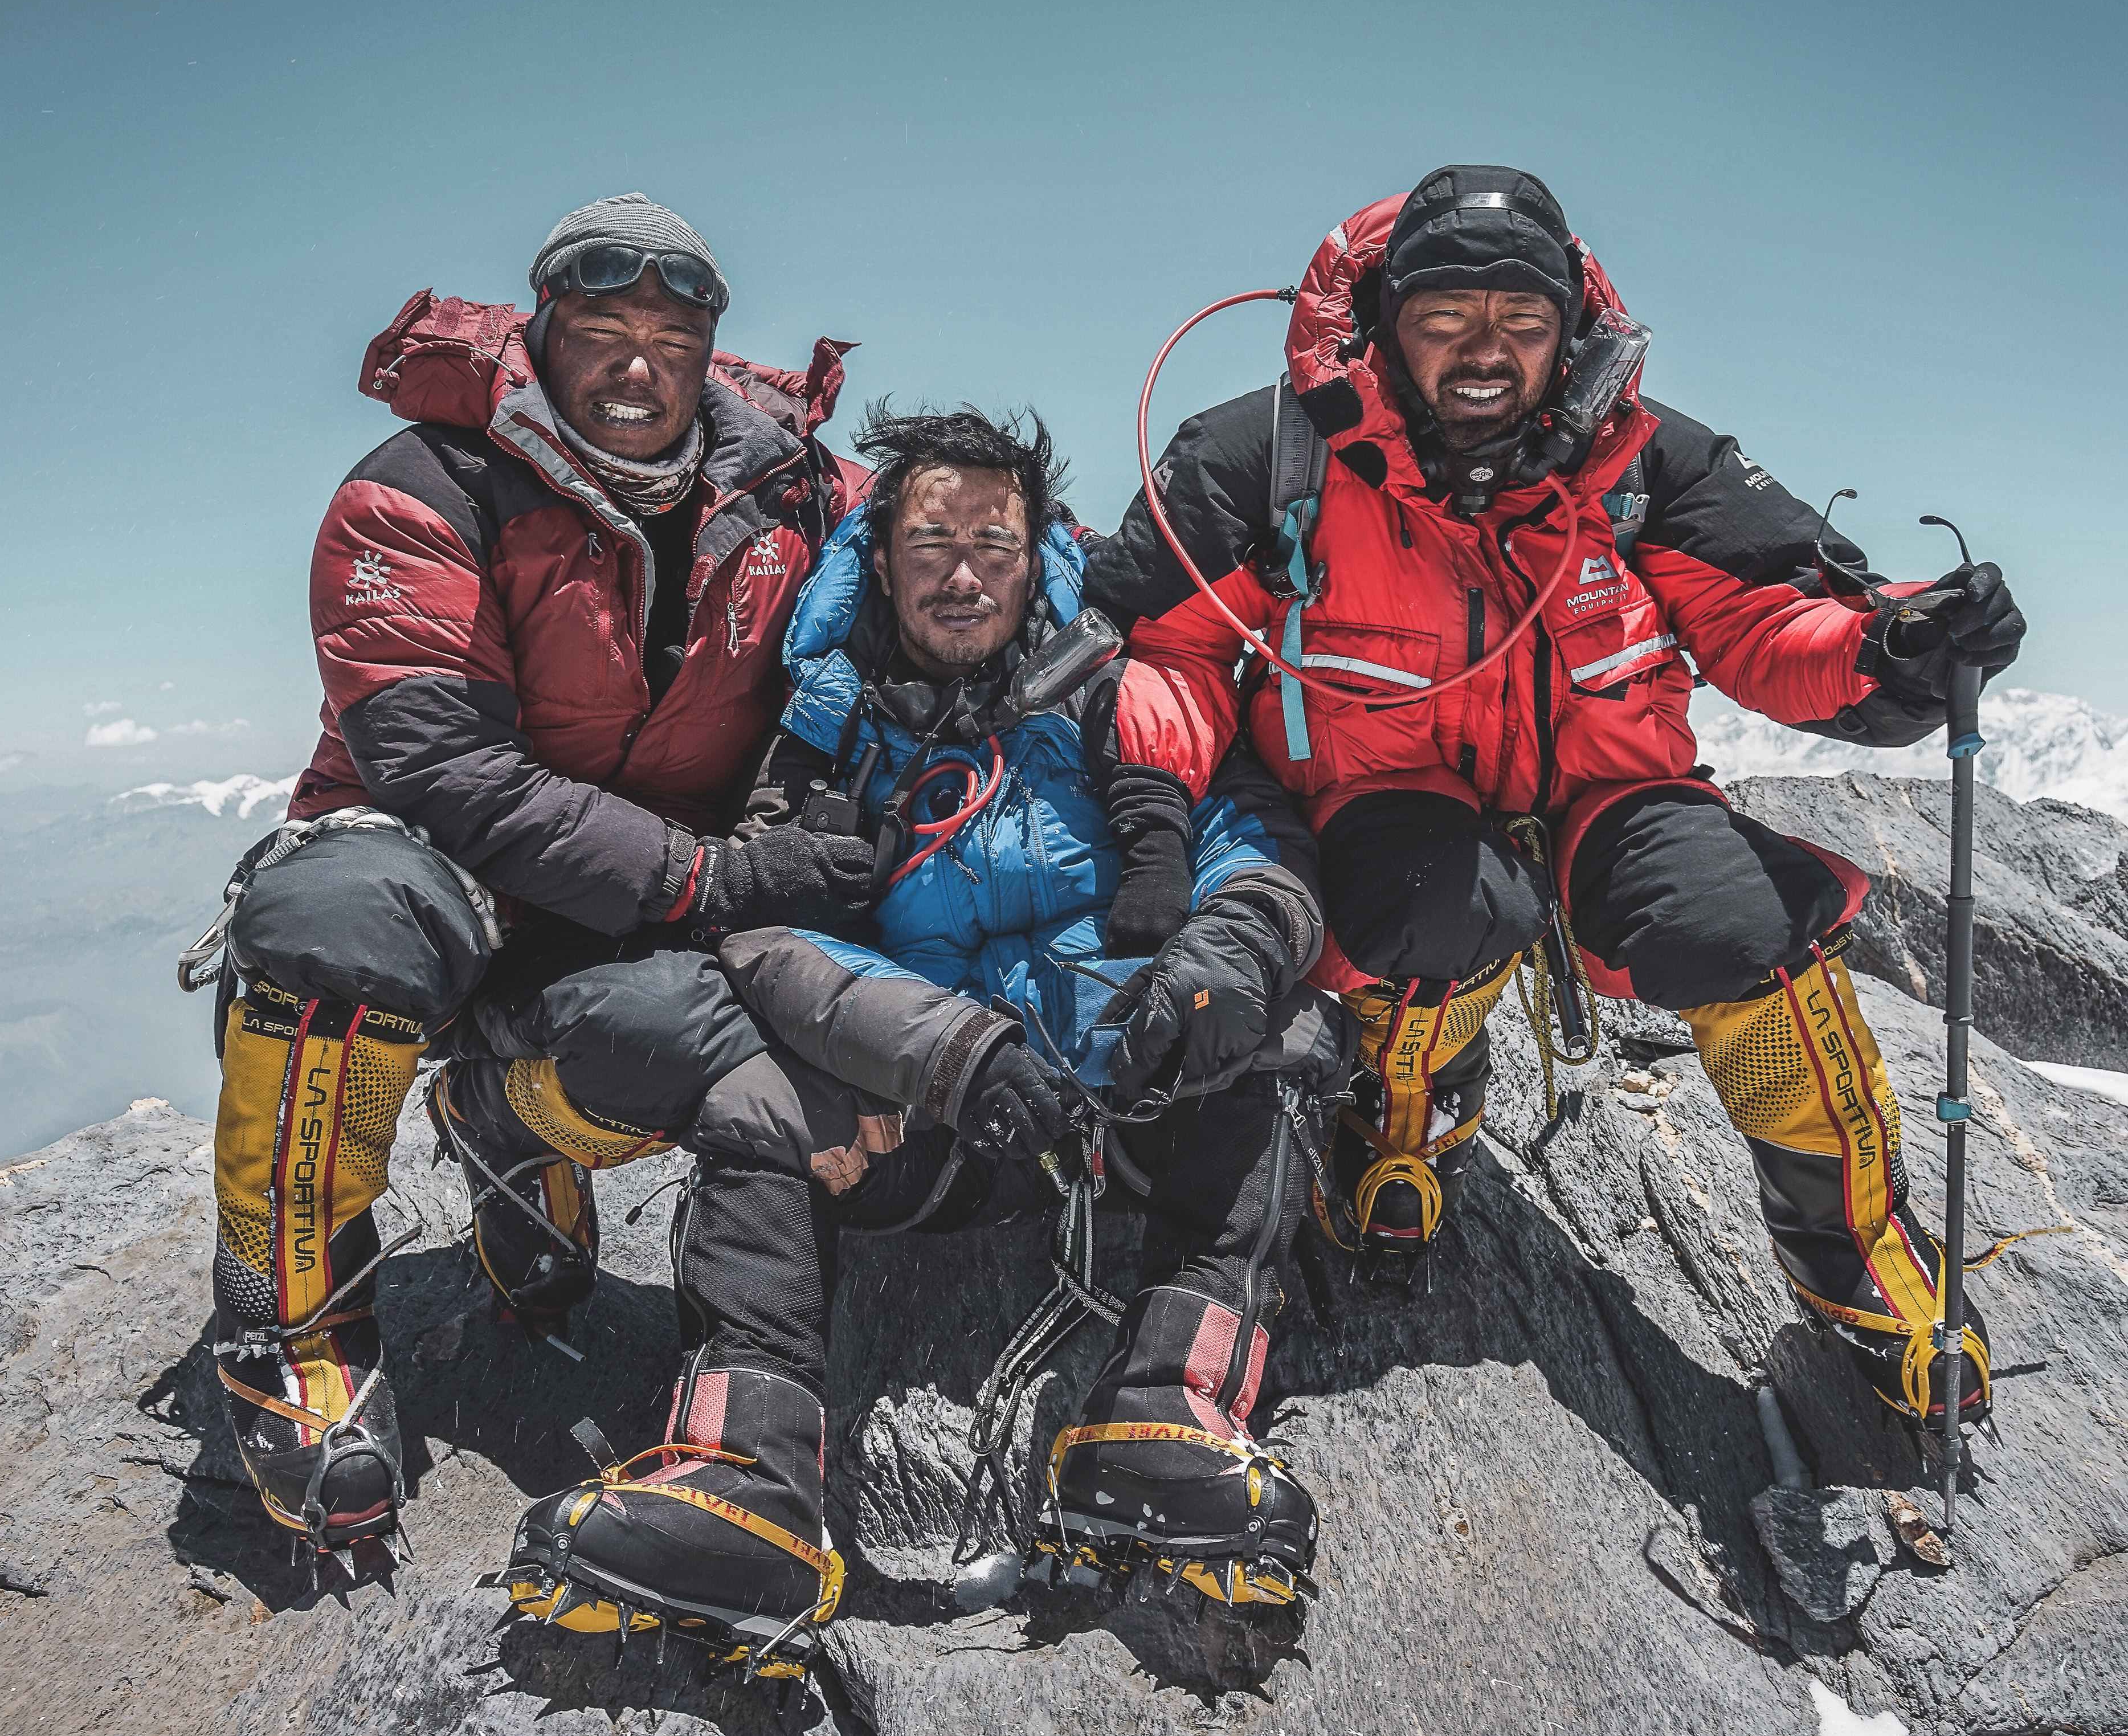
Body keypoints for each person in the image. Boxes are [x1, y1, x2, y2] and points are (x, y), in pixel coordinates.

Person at [1082, 166, 2027, 1431]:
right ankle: (1397, 1122)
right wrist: (1153, 824)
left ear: (1566, 331)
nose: (1485, 352)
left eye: (1519, 323)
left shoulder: (1640, 459)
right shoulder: (1272, 454)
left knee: (1750, 927)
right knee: (1437, 905)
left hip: (1610, 789)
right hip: (1386, 797)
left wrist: (1891, 647)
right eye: (1446, 320)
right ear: (1385, 319)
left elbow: (1766, 617)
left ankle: (1859, 1259)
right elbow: (1169, 647)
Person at [488, 407, 1347, 1660]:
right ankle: (745, 1482)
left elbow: (1252, 842)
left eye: (992, 543)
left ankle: (1169, 1412)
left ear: (1039, 549)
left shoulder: (1120, 686)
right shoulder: (830, 725)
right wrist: (944, 1054)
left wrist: (1223, 960)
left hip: (1133, 1078)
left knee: (1277, 1049)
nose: (960, 573)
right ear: (879, 558)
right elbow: (768, 934)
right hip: (940, 1117)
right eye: (928, 539)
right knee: (762, 1100)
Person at [193, 193, 877, 1562]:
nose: (639, 365)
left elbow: (943, 541)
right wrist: (706, 872)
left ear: (707, 355)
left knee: (696, 1033)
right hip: (442, 865)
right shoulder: (421, 484)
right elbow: (434, 761)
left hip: (624, 895)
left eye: (671, 337)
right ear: (541, 335)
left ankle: (508, 1125)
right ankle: (290, 1322)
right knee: (335, 928)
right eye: (605, 330)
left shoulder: (793, 492)